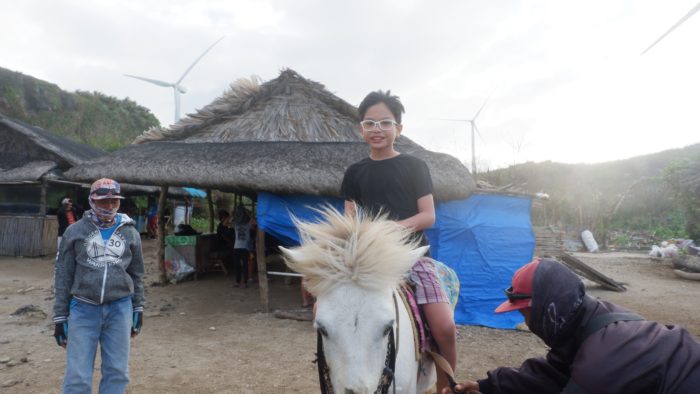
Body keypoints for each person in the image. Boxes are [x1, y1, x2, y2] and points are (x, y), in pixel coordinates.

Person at [341, 90, 457, 392]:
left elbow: (427, 216)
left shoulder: (414, 167)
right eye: (369, 123)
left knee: (444, 327)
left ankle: (446, 388)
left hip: (412, 256)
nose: (377, 129)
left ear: (399, 129)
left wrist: (392, 229)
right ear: (361, 129)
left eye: (385, 123)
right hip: (370, 258)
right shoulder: (354, 172)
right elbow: (350, 220)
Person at [444, 258, 700, 394]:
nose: (526, 322)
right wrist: (488, 386)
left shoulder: (601, 365)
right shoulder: (594, 318)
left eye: (525, 313)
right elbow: (554, 373)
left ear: (548, 309)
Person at [53, 178, 145, 394]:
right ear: (92, 201)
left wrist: (138, 307)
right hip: (83, 309)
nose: (110, 206)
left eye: (114, 201)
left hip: (120, 308)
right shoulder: (74, 231)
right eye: (104, 202)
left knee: (117, 372)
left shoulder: (130, 232)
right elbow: (63, 275)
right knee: (78, 376)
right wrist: (59, 316)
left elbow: (137, 273)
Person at [232, 205, 252, 288]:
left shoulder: (248, 223)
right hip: (237, 247)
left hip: (245, 247)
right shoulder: (235, 223)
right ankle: (237, 282)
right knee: (237, 265)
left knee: (244, 265)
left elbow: (255, 221)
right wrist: (232, 215)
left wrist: (248, 213)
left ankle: (245, 282)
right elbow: (226, 223)